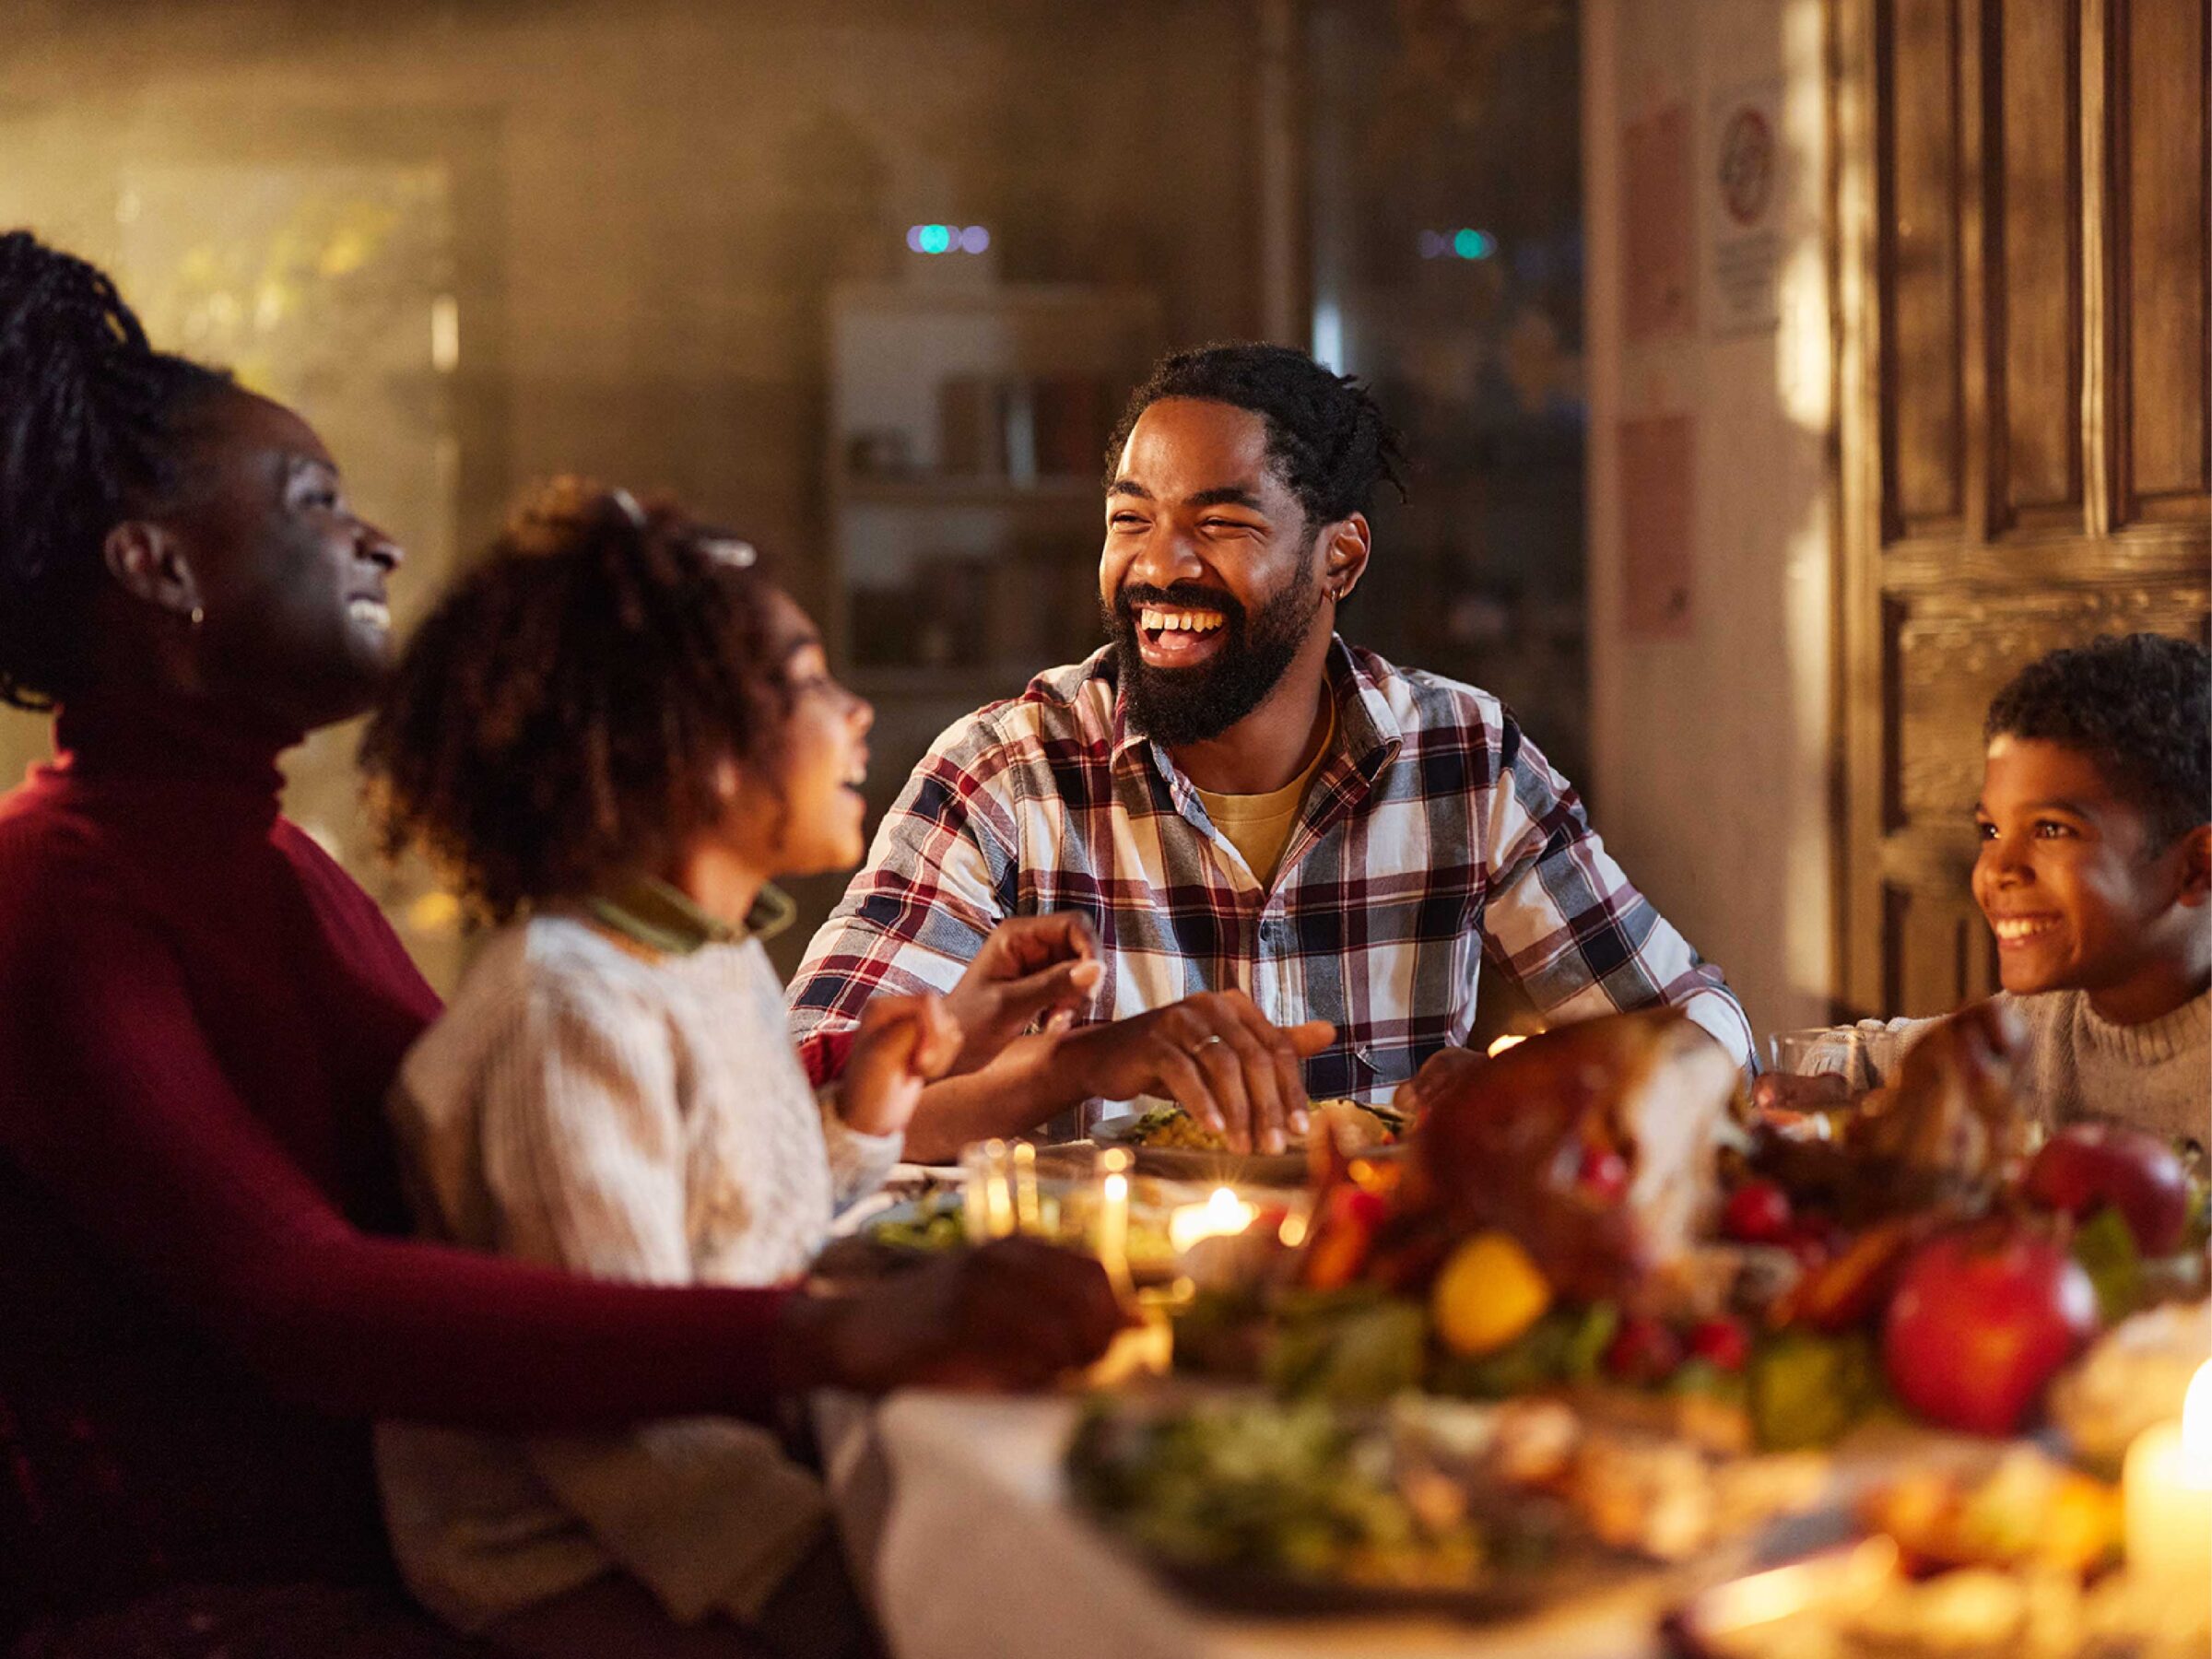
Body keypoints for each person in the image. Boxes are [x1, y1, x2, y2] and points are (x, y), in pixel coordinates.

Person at [0, 231, 1122, 1651]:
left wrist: (881, 1072)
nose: (380, 540)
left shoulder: (270, 857)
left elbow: (547, 1141)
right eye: (315, 501)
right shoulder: (60, 899)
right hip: (233, 1608)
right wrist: (822, 1338)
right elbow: (299, 1295)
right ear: (155, 564)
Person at [359, 479, 1103, 1656]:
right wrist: (849, 1591)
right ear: (694, 748)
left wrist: (864, 1121)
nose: (856, 711)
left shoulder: (706, 951)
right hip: (568, 1567)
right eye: (809, 683)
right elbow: (619, 1418)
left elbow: (733, 1239)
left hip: (713, 1487)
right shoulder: (566, 1012)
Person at [789, 342, 1754, 1163]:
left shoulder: (1461, 755)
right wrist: (1084, 1064)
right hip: (1102, 1319)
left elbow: (1708, 1035)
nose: (1159, 564)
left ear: (1341, 558)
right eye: (1131, 519)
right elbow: (810, 1107)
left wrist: (1530, 1080)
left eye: (1219, 522)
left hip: (1379, 1310)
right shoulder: (1007, 774)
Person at [1758, 633, 2209, 1142]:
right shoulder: (2041, 1027)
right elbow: (1868, 1058)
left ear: (2196, 867)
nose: (1997, 870)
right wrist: (1843, 1098)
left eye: (2051, 830)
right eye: (1990, 831)